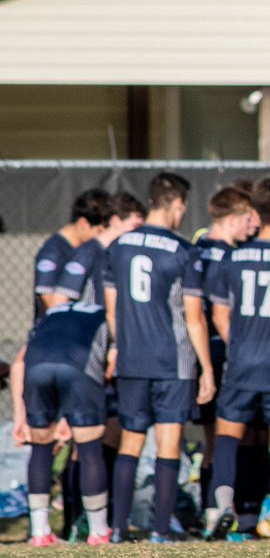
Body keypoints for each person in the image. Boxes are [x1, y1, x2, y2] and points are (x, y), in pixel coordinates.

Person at [104, 172, 215, 543]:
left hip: (133, 360)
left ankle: (118, 528)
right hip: (173, 361)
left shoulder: (117, 247)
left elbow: (111, 310)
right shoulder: (184, 251)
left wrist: (122, 346)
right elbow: (194, 318)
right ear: (178, 204)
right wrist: (208, 369)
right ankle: (160, 529)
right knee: (169, 443)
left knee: (130, 443)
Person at [203, 177, 270, 540]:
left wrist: (241, 343)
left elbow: (218, 313)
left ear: (255, 213)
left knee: (228, 435)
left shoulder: (232, 258)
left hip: (242, 361)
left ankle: (220, 505)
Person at [15, 303, 115, 546]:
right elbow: (111, 365)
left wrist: (21, 417)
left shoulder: (49, 314)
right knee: (90, 448)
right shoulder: (106, 315)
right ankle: (98, 531)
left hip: (35, 369)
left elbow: (19, 362)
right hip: (79, 368)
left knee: (40, 448)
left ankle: (39, 532)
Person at [194, 186, 255, 517]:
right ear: (233, 220)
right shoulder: (228, 258)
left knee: (210, 438)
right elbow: (222, 313)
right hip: (221, 352)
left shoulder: (196, 249)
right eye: (246, 219)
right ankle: (221, 508)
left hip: (197, 351)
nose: (250, 227)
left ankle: (209, 510)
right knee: (228, 434)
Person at [52, 192, 146, 307]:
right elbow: (59, 301)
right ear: (115, 221)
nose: (138, 234)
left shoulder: (116, 254)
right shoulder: (88, 252)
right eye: (135, 226)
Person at [32, 189, 112, 322]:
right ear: (83, 224)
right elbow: (49, 303)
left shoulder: (86, 251)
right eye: (99, 231)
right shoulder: (52, 252)